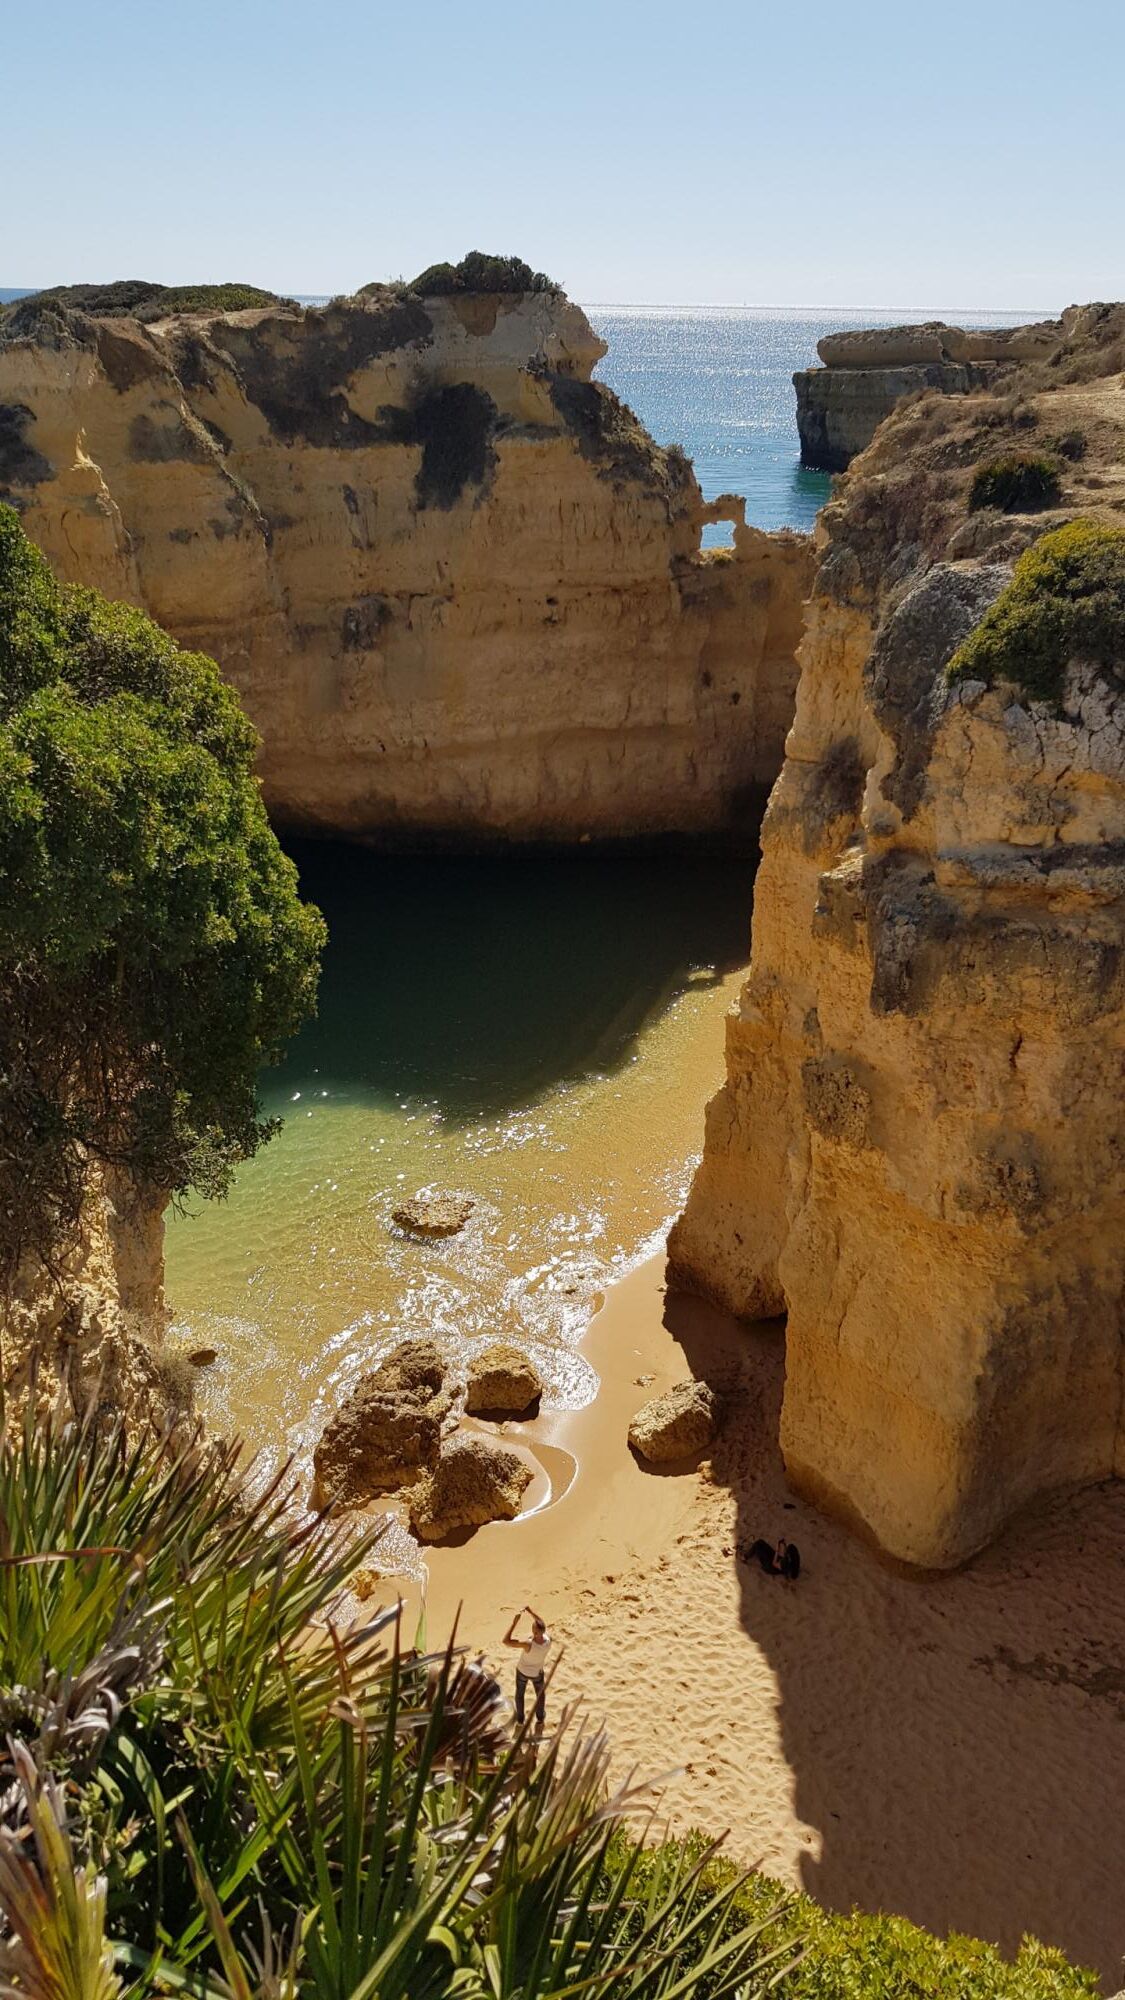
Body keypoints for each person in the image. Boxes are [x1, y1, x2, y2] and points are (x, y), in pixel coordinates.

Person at [503, 1604, 551, 1725]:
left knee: (520, 1694)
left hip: (522, 1672)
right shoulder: (548, 1640)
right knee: (540, 1695)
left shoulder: (528, 1644)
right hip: (537, 1673)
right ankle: (540, 1718)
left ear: (534, 1632)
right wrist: (531, 1612)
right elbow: (541, 1623)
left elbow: (506, 1641)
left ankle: (520, 1720)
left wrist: (514, 1623)